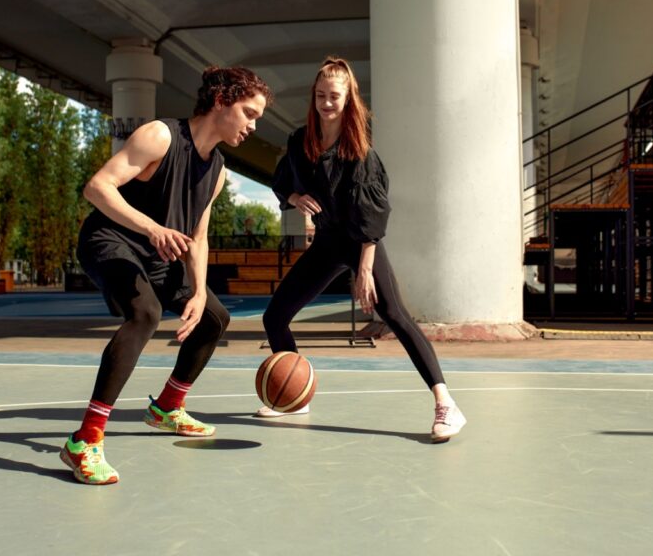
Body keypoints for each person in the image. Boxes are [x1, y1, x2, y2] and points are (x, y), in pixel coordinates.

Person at [60, 66, 271, 484]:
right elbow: (98, 188)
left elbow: (199, 236)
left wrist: (196, 292)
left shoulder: (218, 169)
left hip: (160, 256)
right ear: (221, 100)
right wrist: (152, 229)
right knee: (145, 313)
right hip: (111, 241)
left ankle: (167, 408)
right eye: (248, 113)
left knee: (213, 318)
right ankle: (84, 441)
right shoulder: (160, 135)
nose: (252, 125)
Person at [259, 57, 467, 442]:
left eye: (334, 96)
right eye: (320, 95)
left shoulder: (360, 151)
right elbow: (281, 180)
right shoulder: (297, 140)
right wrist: (294, 196)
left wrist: (365, 269)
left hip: (359, 241)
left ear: (348, 97)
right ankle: (296, 396)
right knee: (275, 318)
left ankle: (446, 404)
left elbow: (371, 213)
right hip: (325, 242)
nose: (326, 103)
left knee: (394, 314)